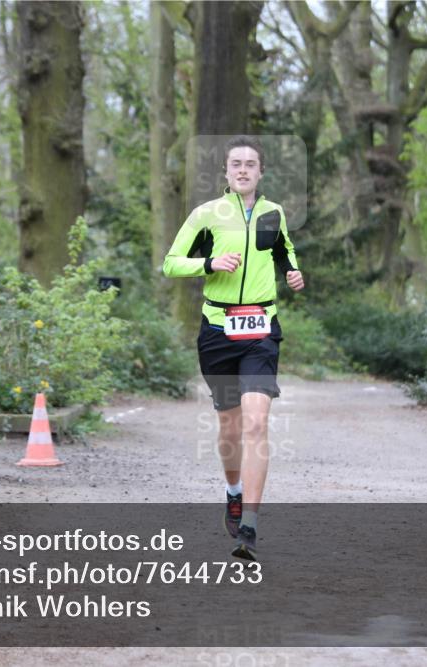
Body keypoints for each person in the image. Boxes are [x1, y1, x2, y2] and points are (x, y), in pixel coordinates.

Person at [162, 135, 304, 561]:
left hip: (260, 329)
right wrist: (209, 264)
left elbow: (286, 254)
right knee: (230, 428)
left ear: (261, 173)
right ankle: (233, 492)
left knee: (257, 424)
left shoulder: (273, 214)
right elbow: (170, 262)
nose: (243, 170)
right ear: (226, 172)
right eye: (236, 164)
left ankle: (250, 527)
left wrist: (294, 274)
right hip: (218, 330)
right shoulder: (206, 215)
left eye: (251, 164)